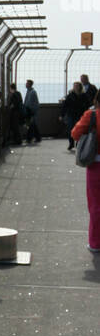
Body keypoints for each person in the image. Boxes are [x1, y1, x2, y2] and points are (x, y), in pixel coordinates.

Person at [70, 89, 100, 251]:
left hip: (96, 165)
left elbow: (75, 133)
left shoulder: (92, 115)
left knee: (96, 204)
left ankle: (95, 243)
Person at [60, 80, 85, 151]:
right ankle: (71, 143)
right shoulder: (70, 95)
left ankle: (78, 143)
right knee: (70, 130)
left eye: (77, 86)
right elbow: (65, 106)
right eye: (74, 86)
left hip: (80, 115)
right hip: (71, 115)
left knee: (79, 130)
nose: (76, 87)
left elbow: (87, 105)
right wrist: (62, 115)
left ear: (80, 87)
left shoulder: (83, 96)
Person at [23, 79, 41, 143]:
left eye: (27, 83)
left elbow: (32, 103)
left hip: (31, 111)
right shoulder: (30, 91)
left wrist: (32, 111)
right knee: (33, 125)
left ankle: (29, 139)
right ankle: (37, 138)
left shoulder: (32, 92)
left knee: (31, 125)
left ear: (29, 84)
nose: (26, 84)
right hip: (30, 111)